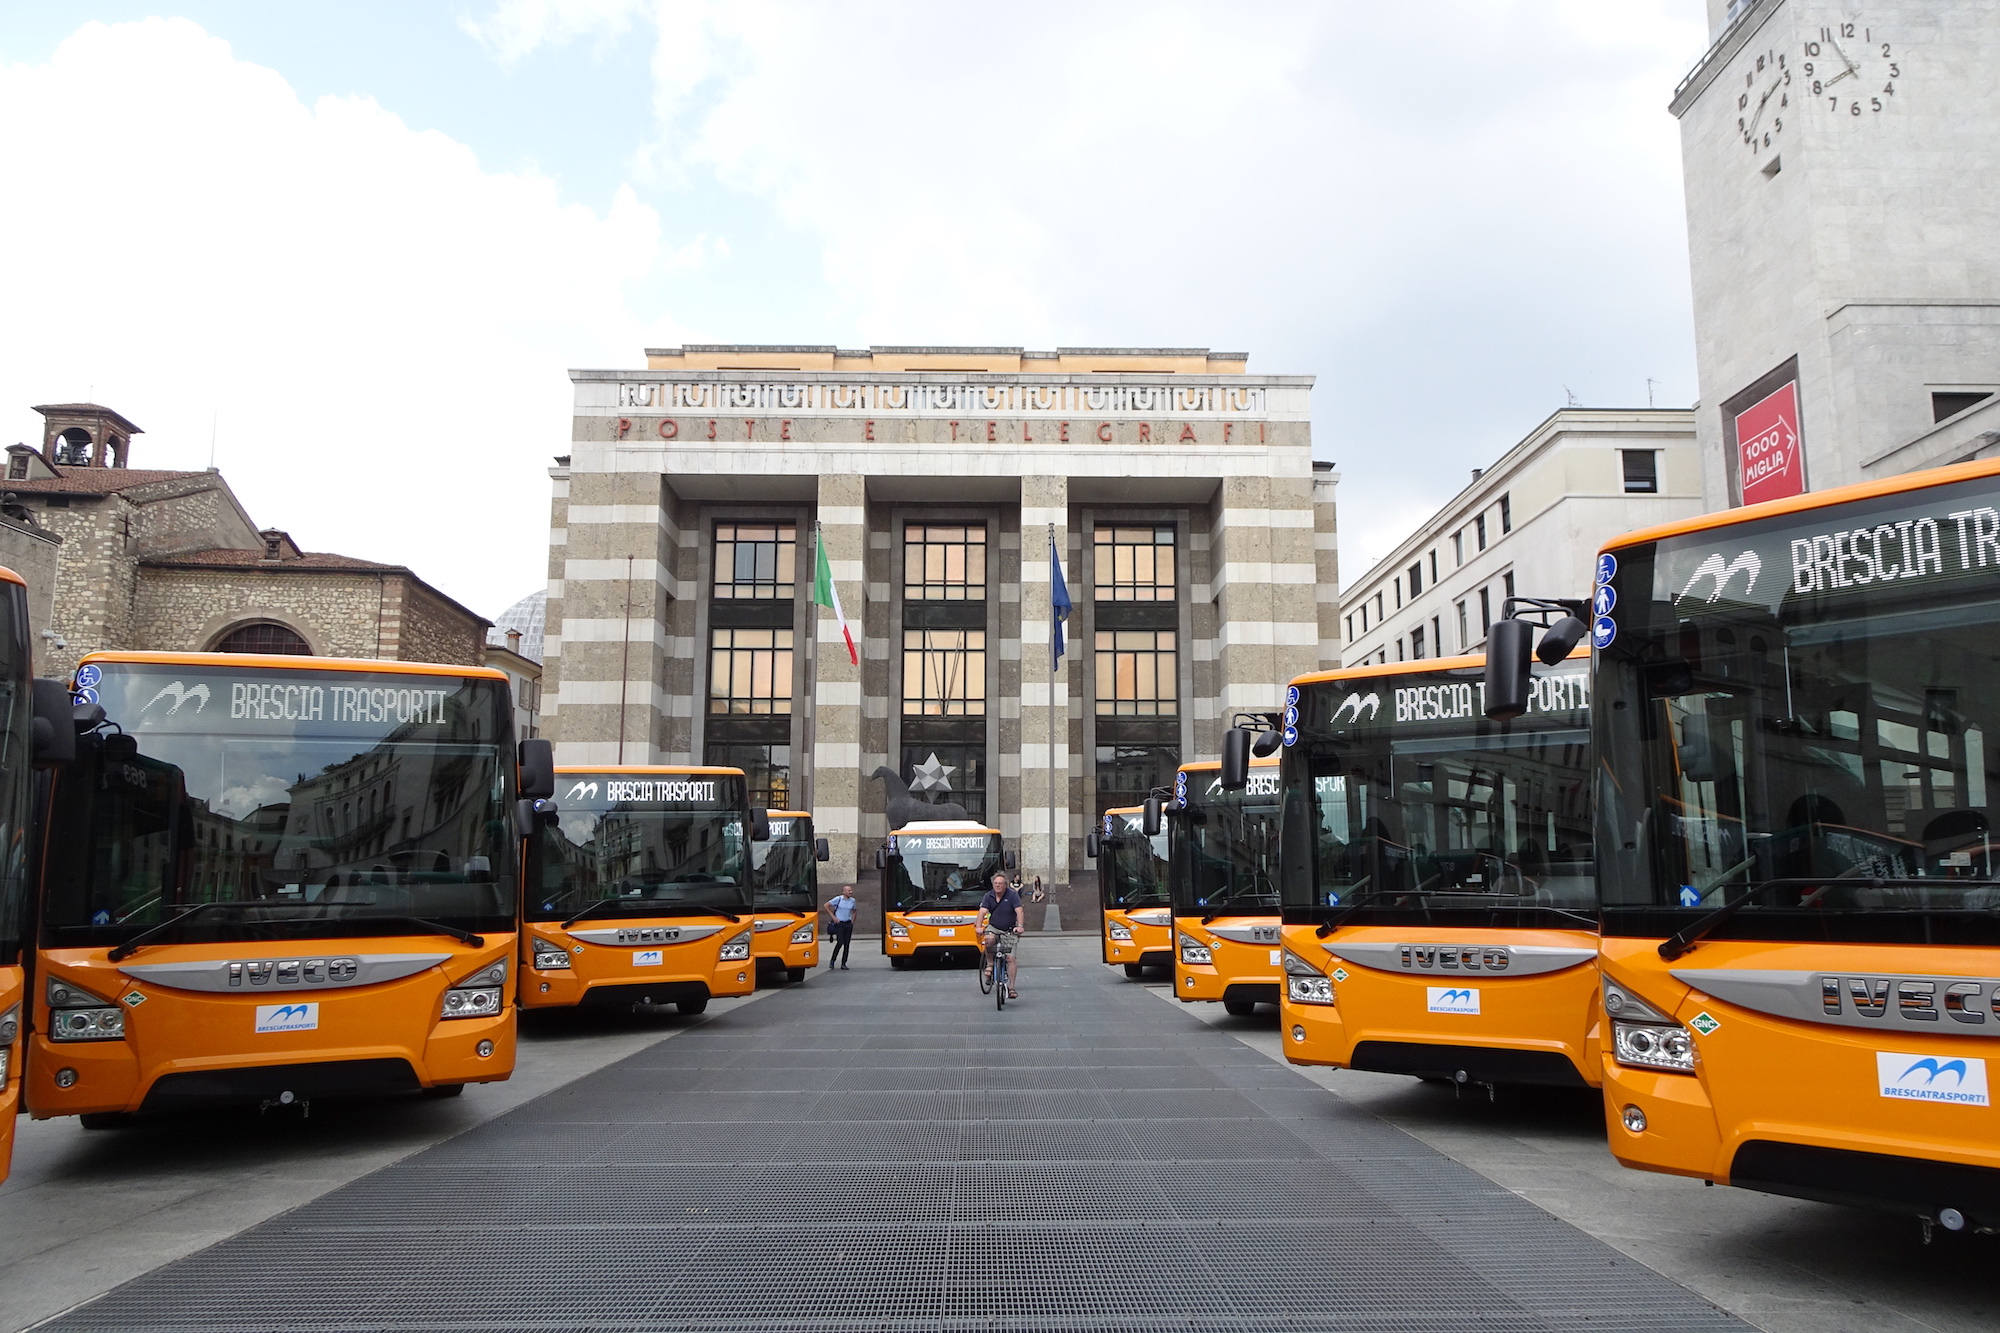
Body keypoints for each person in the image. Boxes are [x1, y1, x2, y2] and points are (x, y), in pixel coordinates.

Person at [977, 871, 1024, 1000]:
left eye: (1000, 884)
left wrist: (1019, 925)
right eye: (995, 883)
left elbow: (1019, 911)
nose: (997, 886)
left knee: (1011, 958)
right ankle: (990, 964)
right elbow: (982, 912)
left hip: (1009, 929)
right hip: (994, 927)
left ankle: (1012, 987)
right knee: (989, 939)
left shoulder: (1012, 895)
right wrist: (978, 927)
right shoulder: (988, 896)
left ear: (1005, 885)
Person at [823, 885, 858, 970]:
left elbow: (854, 911)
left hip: (848, 923)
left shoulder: (852, 901)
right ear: (844, 892)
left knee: (847, 944)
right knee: (840, 942)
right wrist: (833, 917)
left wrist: (852, 921)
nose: (851, 892)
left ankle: (843, 963)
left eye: (851, 890)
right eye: (849, 890)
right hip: (839, 924)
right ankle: (833, 960)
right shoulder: (838, 899)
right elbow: (826, 905)